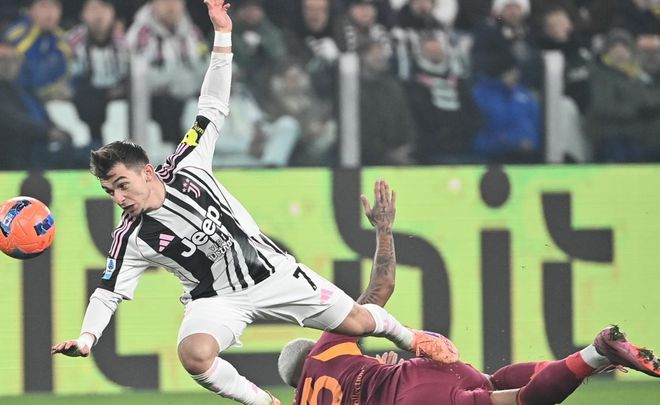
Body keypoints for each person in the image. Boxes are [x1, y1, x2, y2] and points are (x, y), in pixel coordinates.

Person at [50, 3, 458, 405]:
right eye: (110, 192)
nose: (119, 198)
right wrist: (87, 338)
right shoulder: (132, 237)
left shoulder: (189, 163)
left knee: (358, 321)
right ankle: (264, 403)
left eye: (122, 185)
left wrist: (222, 34)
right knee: (194, 355)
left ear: (147, 172)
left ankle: (413, 338)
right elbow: (107, 293)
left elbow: (212, 106)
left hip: (274, 274)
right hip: (216, 300)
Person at [278, 181, 660, 405]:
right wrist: (383, 230)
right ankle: (589, 360)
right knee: (493, 382)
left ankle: (597, 353)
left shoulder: (303, 398)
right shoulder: (328, 346)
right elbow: (383, 285)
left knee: (517, 401)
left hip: (415, 399)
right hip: (424, 370)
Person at [69, 0, 129, 149]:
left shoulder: (126, 42)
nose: (99, 13)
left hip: (117, 99)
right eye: (93, 8)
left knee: (120, 107)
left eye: (104, 8)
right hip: (85, 102)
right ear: (83, 14)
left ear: (112, 12)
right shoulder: (71, 42)